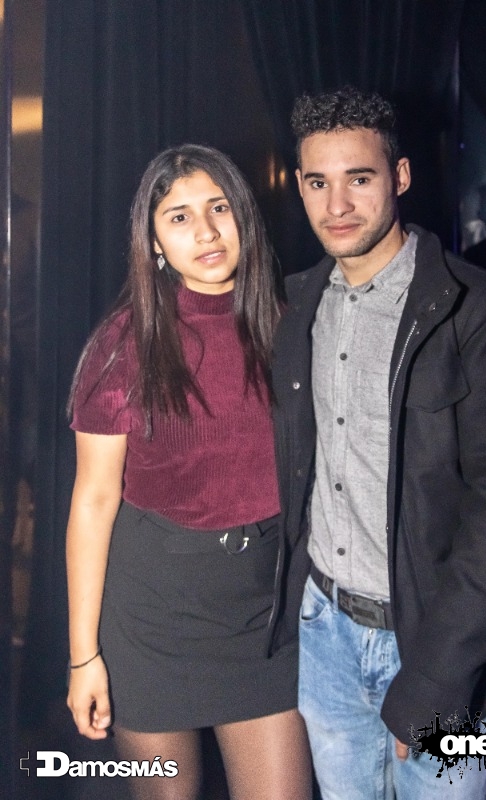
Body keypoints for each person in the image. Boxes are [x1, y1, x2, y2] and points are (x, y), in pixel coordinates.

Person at [271, 86, 486, 800]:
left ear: (401, 176)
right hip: (324, 637)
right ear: (299, 185)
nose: (337, 205)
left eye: (359, 178)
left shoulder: (473, 307)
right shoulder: (296, 306)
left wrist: (437, 678)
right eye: (318, 182)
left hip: (441, 645)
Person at [66, 144, 312, 800]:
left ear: (244, 218)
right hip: (153, 619)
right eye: (179, 217)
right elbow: (93, 502)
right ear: (153, 241)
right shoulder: (123, 345)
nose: (205, 231)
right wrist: (83, 657)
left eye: (219, 208)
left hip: (264, 617)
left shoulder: (292, 327)